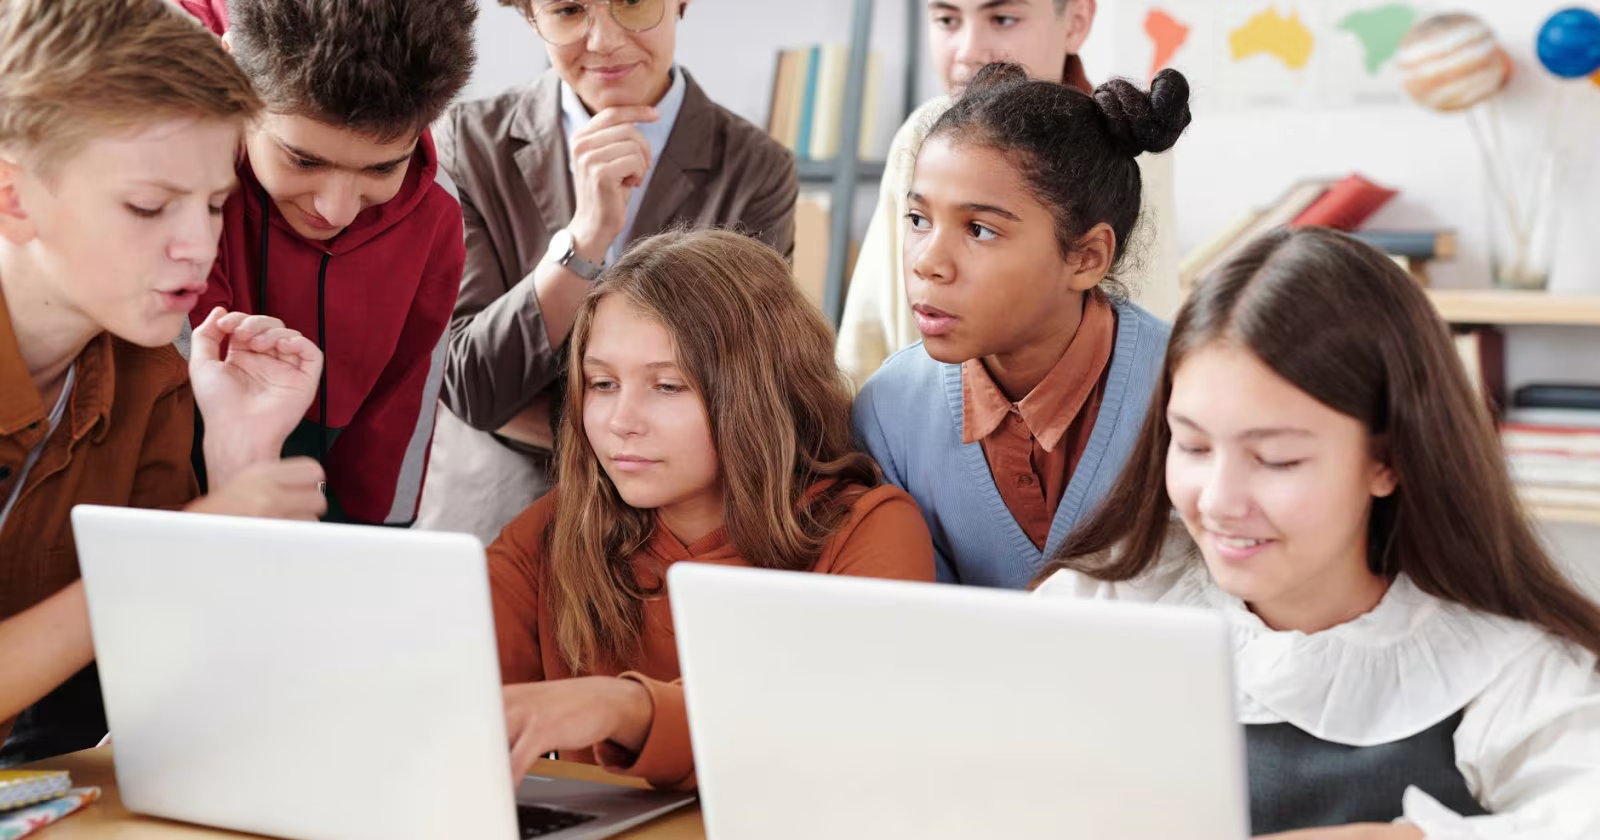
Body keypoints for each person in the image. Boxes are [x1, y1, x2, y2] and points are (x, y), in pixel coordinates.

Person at [1035, 227, 1600, 838]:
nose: (1220, 501)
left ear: (1387, 460)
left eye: (1276, 459)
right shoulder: (1102, 605)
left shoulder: (1506, 666)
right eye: (1192, 445)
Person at [489, 230, 935, 789]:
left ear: (759, 392)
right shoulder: (555, 529)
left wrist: (626, 708)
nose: (621, 419)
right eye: (602, 383)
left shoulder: (870, 529)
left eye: (668, 386)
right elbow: (443, 685)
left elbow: (836, 725)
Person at [0, 0, 326, 763]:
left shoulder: (154, 377)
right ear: (13, 199)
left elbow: (201, 697)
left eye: (214, 205)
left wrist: (242, 457)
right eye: (147, 207)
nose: (199, 248)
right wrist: (176, 553)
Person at [418, 0, 798, 543]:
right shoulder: (465, 143)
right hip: (496, 515)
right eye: (569, 10)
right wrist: (584, 239)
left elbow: (741, 390)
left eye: (632, 3)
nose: (603, 40)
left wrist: (526, 411)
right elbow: (471, 384)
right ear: (530, 17)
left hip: (674, 530)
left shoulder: (756, 168)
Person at [852, 64, 1185, 588]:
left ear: (1086, 257)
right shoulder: (888, 413)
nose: (928, 262)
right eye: (918, 220)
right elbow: (911, 627)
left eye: (979, 229)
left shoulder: (1186, 393)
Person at [180, 0, 478, 526]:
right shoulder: (172, 174)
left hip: (319, 516)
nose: (335, 209)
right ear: (232, 79)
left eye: (383, 167)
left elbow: (394, 429)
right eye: (304, 160)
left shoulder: (435, 216)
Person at [836, 0, 1183, 388]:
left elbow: (1149, 323)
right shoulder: (927, 132)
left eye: (1003, 19)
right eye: (947, 19)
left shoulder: (1129, 148)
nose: (968, 51)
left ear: (1076, 21)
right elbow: (866, 338)